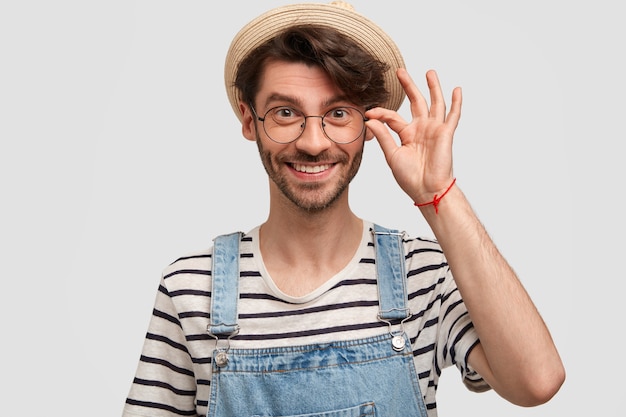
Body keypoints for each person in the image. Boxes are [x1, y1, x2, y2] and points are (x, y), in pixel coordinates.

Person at [122, 2, 565, 416]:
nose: (313, 143)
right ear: (247, 119)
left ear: (369, 122)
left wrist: (440, 194)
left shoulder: (423, 275)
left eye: (337, 114)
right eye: (284, 113)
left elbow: (537, 382)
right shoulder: (190, 287)